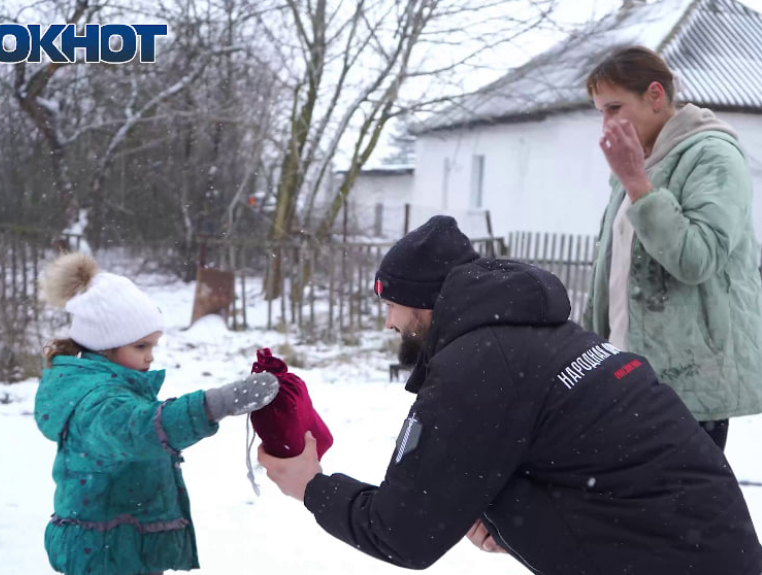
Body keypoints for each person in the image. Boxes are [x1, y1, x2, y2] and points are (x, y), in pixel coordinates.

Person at [258, 216, 762, 575]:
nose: (389, 321)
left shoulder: (478, 368)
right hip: (712, 548)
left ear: (426, 302)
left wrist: (310, 486)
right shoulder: (547, 337)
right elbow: (597, 471)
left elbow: (402, 533)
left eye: (391, 304)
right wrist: (517, 522)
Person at [35, 253, 279, 575]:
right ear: (106, 346)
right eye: (140, 347)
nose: (150, 357)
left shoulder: (106, 388)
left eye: (153, 346)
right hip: (107, 553)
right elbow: (142, 427)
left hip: (122, 545)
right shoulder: (98, 402)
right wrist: (217, 403)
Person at [582, 45, 762, 450]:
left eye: (614, 107)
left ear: (656, 96)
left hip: (690, 388)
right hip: (625, 378)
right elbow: (613, 278)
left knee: (681, 510)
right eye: (600, 113)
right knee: (623, 509)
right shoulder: (638, 166)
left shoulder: (713, 155)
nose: (606, 124)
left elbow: (697, 259)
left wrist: (637, 184)